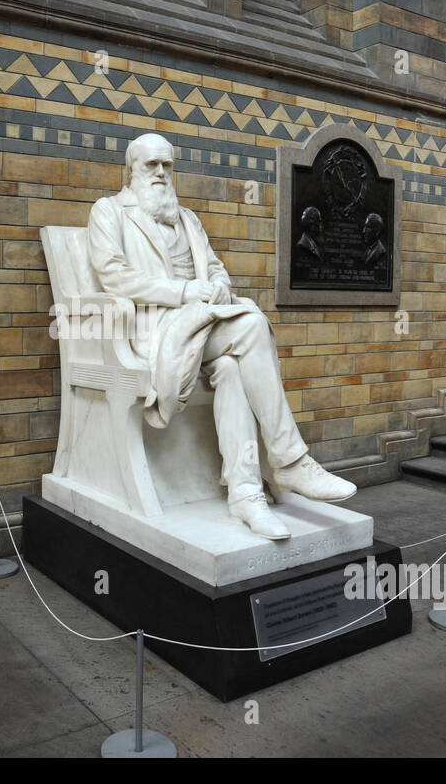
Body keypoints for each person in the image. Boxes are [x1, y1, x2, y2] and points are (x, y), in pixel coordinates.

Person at [86, 133, 356, 540]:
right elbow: (113, 276)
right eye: (151, 165)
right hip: (156, 330)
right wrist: (183, 292)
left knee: (231, 367)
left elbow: (214, 268)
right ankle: (290, 462)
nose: (161, 173)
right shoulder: (109, 212)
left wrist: (218, 287)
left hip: (204, 323)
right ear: (130, 170)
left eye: (168, 165)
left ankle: (246, 495)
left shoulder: (187, 218)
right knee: (249, 325)